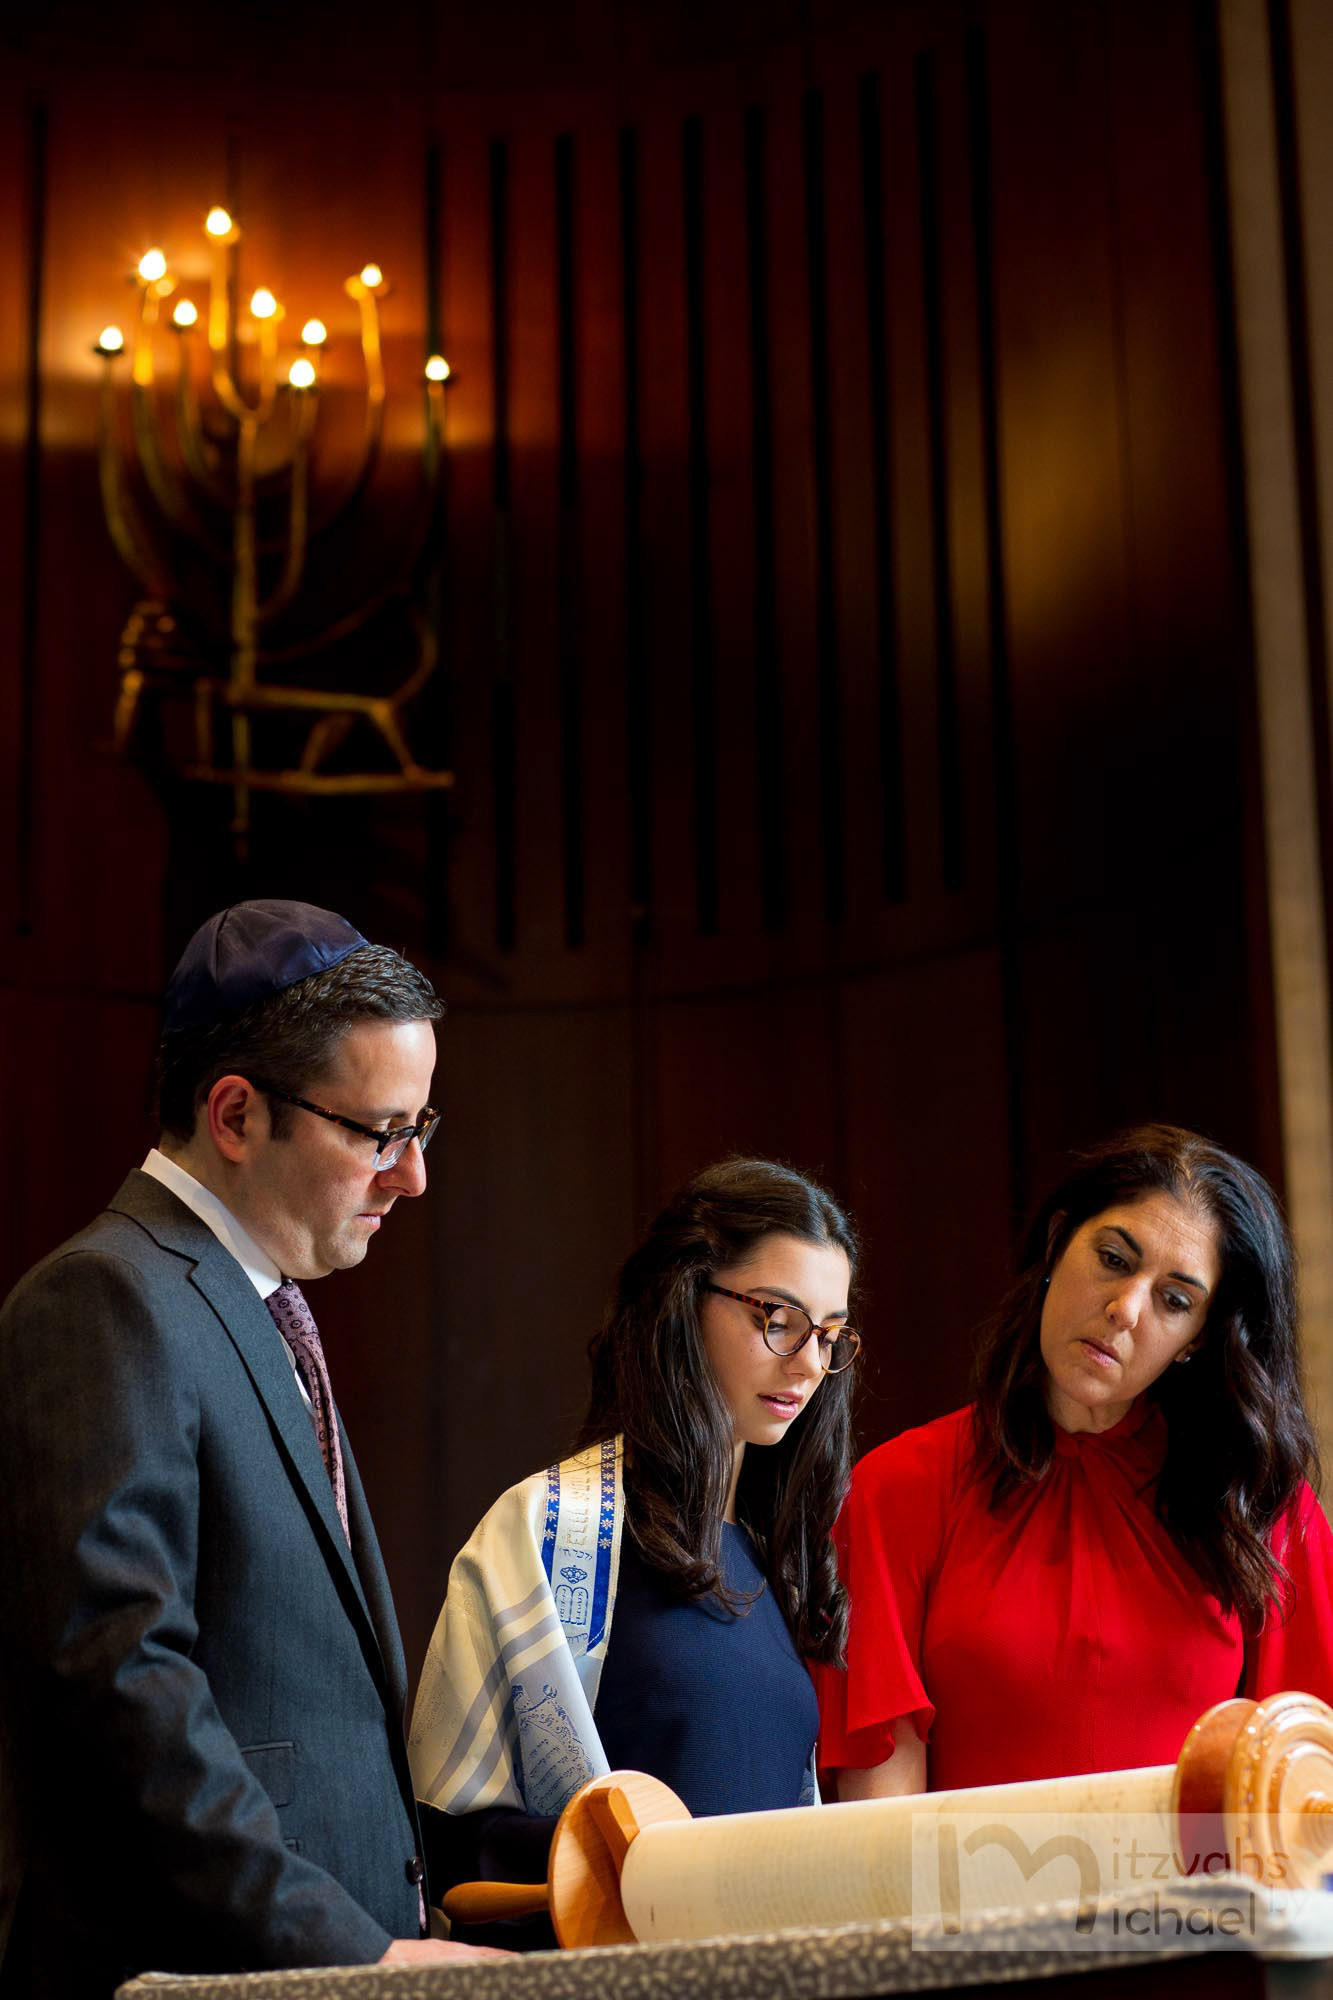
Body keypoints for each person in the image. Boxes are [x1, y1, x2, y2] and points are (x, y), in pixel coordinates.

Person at [0, 899, 503, 1995]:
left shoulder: (250, 1300)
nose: (411, 1176)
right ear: (234, 1113)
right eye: (381, 1132)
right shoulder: (106, 1298)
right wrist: (351, 1945)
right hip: (210, 1968)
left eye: (422, 1129)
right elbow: (122, 1685)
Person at [409, 1157, 861, 1945]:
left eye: (828, 1335)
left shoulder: (778, 1558)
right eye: (777, 1319)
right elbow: (447, 1834)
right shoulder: (546, 1528)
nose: (807, 1363)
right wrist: (636, 1859)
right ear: (684, 1301)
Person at [816, 1123, 1333, 1799]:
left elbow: (1303, 1792)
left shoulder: (1259, 1501)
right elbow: (880, 1820)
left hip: (1200, 1904)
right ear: (1058, 1242)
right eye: (1114, 1259)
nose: (1124, 1310)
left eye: (1174, 1300)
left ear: (1195, 1340)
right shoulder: (898, 1487)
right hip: (969, 1902)